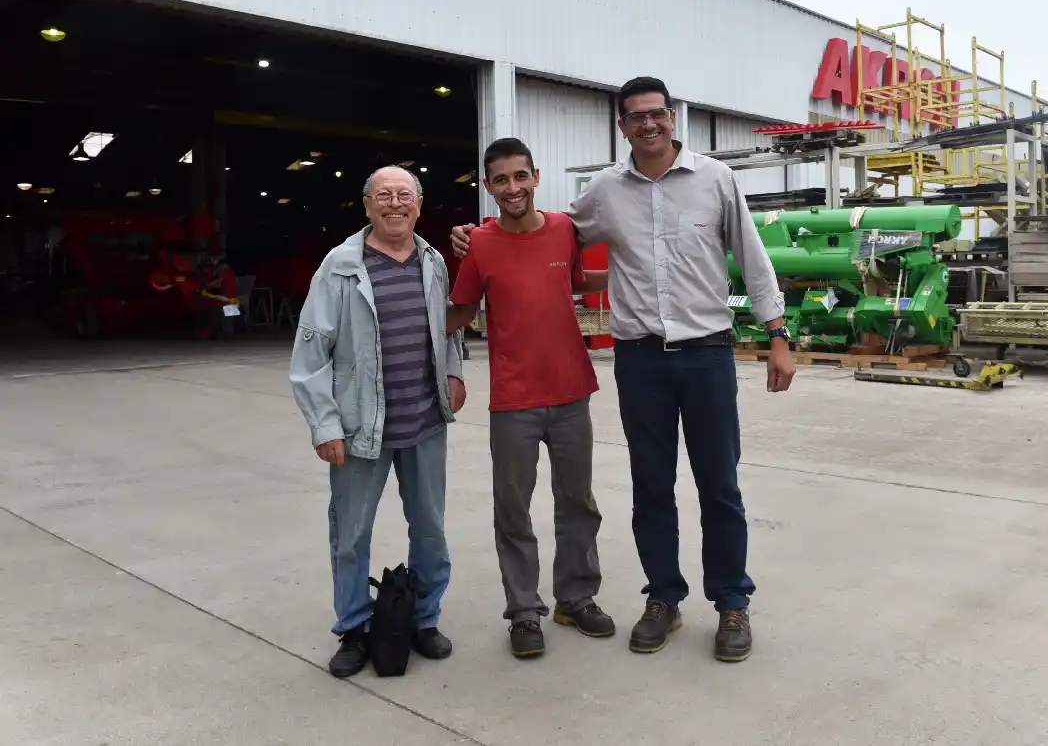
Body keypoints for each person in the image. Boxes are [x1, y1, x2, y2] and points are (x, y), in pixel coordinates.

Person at [451, 76, 794, 663]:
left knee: (720, 485)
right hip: (640, 362)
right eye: (636, 118)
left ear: (671, 118)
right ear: (622, 127)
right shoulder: (605, 192)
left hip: (708, 354)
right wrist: (474, 235)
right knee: (652, 487)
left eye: (657, 114)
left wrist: (778, 333)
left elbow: (752, 257)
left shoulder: (716, 179)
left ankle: (731, 602)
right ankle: (663, 597)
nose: (648, 125)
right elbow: (543, 230)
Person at [290, 165, 467, 679]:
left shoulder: (433, 261)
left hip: (426, 421)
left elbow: (449, 326)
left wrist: (454, 371)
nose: (395, 204)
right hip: (359, 430)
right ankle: (353, 627)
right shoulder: (340, 267)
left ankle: (424, 619)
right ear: (366, 206)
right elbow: (309, 355)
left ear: (419, 204)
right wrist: (324, 426)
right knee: (351, 534)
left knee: (430, 530)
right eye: (384, 195)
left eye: (405, 195)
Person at [446, 137, 614, 659]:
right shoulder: (479, 245)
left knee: (579, 503)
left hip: (570, 392)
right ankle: (523, 612)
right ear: (488, 186)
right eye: (501, 180)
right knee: (513, 508)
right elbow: (457, 311)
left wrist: (655, 271)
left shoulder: (566, 229)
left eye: (521, 177)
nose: (512, 188)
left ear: (536, 177)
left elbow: (583, 282)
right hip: (513, 399)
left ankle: (576, 597)